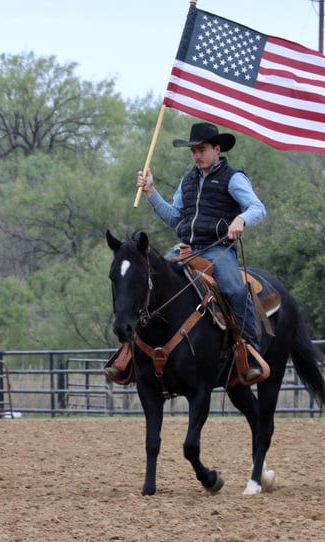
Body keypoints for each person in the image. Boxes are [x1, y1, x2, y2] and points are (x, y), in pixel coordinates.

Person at [105, 122, 267, 383]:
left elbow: (257, 207)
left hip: (218, 250)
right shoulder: (188, 180)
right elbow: (175, 217)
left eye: (201, 150)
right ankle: (130, 351)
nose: (197, 155)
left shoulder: (233, 178)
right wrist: (151, 192)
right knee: (148, 281)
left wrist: (241, 220)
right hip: (184, 250)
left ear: (217, 149)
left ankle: (249, 352)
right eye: (193, 151)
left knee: (234, 290)